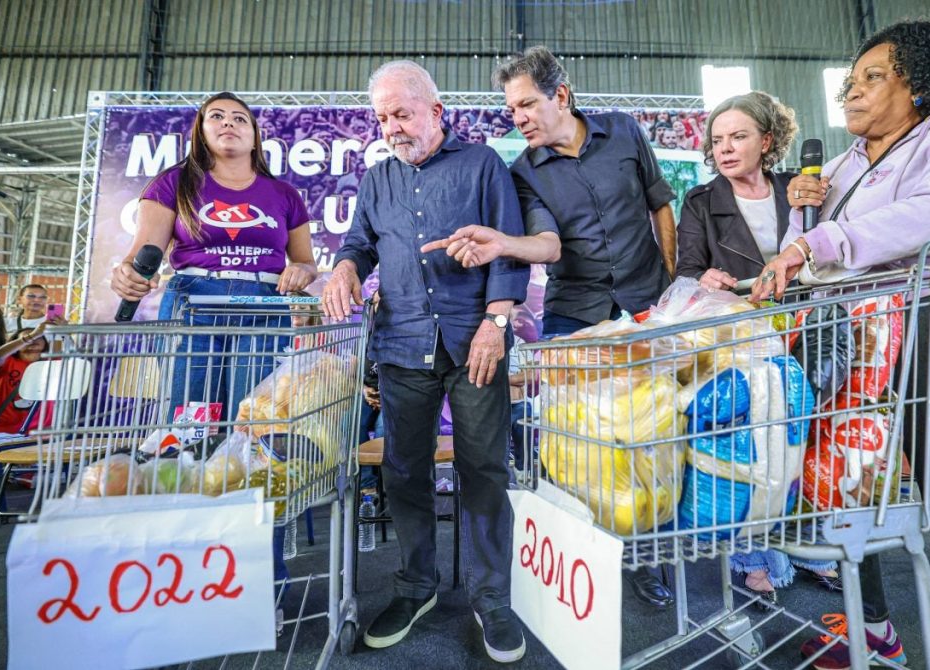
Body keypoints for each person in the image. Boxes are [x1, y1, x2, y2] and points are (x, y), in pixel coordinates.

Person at [751, 20, 930, 670]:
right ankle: (872, 632)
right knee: (845, 477)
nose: (852, 91)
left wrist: (820, 240)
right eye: (850, 81)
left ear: (921, 83)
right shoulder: (840, 165)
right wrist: (801, 214)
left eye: (874, 77)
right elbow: (806, 257)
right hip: (853, 324)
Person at [421, 45, 678, 609]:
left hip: (647, 308)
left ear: (560, 95)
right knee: (574, 448)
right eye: (511, 109)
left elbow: (660, 204)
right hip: (574, 316)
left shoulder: (624, 132)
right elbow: (548, 245)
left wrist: (669, 283)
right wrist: (503, 243)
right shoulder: (522, 172)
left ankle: (646, 559)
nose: (518, 118)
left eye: (526, 105)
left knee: (650, 437)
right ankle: (582, 561)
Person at [321, 60, 530, 663]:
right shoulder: (378, 179)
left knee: (483, 469)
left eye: (402, 114)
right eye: (382, 118)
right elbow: (360, 243)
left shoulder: (482, 164)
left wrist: (496, 322)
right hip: (401, 342)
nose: (391, 127)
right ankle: (416, 587)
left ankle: (492, 598)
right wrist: (344, 268)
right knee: (403, 470)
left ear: (436, 111)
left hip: (474, 342)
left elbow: (508, 249)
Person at [677, 91, 842, 602]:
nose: (725, 148)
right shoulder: (701, 202)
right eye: (717, 140)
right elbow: (686, 272)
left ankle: (810, 542)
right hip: (745, 338)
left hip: (809, 327)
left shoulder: (798, 188)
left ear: (767, 141)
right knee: (756, 445)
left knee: (810, 439)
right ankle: (754, 556)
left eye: (738, 136)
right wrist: (704, 278)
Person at [109, 91, 318, 423]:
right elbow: (140, 255)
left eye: (239, 119)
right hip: (193, 304)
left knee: (251, 418)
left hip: (264, 307)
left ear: (255, 137)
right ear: (201, 131)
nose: (228, 123)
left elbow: (306, 261)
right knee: (190, 419)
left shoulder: (285, 194)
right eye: (217, 116)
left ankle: (239, 460)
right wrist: (128, 274)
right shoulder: (172, 183)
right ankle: (186, 457)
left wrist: (302, 271)